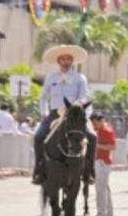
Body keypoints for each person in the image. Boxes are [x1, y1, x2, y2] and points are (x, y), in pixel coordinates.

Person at [32, 45, 93, 184]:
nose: (66, 62)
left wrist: (77, 104)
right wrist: (44, 112)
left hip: (74, 114)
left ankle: (88, 171)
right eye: (63, 59)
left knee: (92, 136)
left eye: (68, 59)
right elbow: (43, 97)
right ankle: (38, 169)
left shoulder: (80, 78)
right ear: (58, 61)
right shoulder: (51, 77)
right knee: (38, 136)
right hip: (54, 114)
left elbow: (84, 96)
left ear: (72, 61)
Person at [90, 112, 116, 216]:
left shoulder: (106, 131)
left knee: (100, 188)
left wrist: (98, 146)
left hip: (103, 161)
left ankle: (101, 213)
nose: (93, 125)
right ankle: (109, 213)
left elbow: (112, 146)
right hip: (100, 160)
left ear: (99, 121)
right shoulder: (97, 130)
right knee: (104, 187)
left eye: (94, 123)